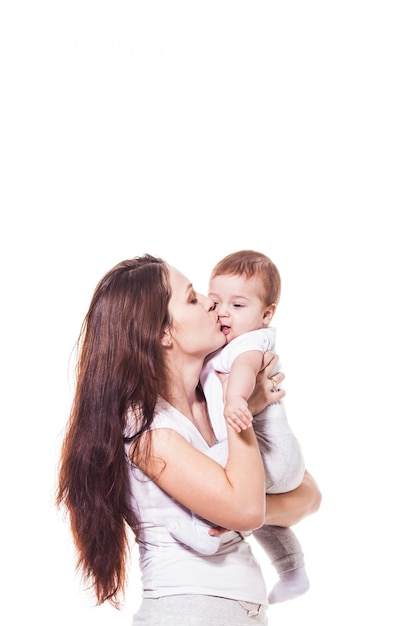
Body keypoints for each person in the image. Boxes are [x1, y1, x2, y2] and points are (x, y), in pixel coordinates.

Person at [56, 253, 321, 625]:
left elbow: (308, 495)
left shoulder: (212, 399)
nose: (212, 302)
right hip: (189, 611)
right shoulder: (146, 428)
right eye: (193, 298)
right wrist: (244, 412)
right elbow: (248, 509)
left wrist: (243, 515)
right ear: (163, 333)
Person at [167, 250, 310, 604]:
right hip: (279, 459)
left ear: (267, 314)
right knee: (265, 517)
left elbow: (246, 370)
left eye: (238, 305)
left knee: (215, 464)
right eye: (215, 301)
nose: (223, 312)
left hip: (272, 453)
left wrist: (238, 400)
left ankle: (206, 528)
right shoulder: (223, 348)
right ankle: (293, 571)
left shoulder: (247, 343)